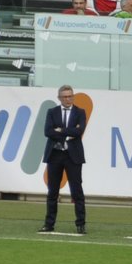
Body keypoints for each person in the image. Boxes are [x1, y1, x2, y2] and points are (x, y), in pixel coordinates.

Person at [40, 84, 87, 235]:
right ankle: (49, 224)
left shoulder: (80, 112)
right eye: (65, 96)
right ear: (59, 98)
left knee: (77, 191)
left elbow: (79, 131)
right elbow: (48, 131)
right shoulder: (52, 112)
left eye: (70, 96)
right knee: (52, 192)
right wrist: (68, 133)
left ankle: (81, 224)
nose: (68, 99)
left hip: (73, 156)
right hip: (55, 154)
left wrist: (60, 130)